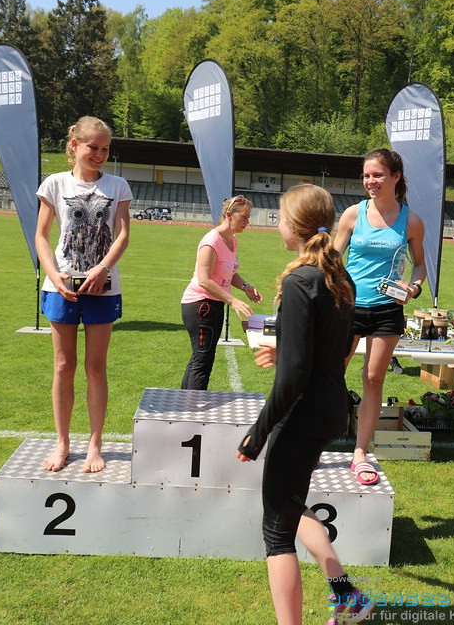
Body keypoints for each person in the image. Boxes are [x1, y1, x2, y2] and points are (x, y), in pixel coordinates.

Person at [237, 184, 374, 625]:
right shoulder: (339, 276)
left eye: (278, 217)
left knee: (276, 532)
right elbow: (330, 347)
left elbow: (294, 378)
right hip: (330, 409)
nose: (275, 224)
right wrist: (286, 351)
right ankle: (346, 593)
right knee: (292, 504)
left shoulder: (301, 279)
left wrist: (257, 435)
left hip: (304, 414)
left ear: (292, 227)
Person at [35, 116, 131, 473]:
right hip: (62, 285)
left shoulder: (118, 186)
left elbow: (122, 236)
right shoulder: (55, 183)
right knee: (63, 366)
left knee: (95, 367)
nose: (100, 154)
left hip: (102, 287)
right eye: (93, 147)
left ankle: (94, 443)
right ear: (74, 145)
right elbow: (41, 236)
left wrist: (103, 268)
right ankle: (62, 442)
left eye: (105, 148)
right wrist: (53, 275)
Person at [333, 148, 426, 486]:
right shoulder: (352, 215)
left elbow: (419, 265)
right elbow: (331, 256)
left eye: (377, 175)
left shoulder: (411, 221)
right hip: (349, 307)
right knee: (331, 375)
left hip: (388, 310)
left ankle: (360, 453)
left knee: (373, 379)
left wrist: (413, 287)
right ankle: (315, 443)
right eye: (366, 175)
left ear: (395, 177)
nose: (370, 181)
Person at [180, 195, 262, 389]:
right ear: (229, 215)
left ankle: (184, 403)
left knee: (201, 357)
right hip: (201, 305)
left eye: (248, 218)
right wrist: (233, 301)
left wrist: (245, 286)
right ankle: (193, 411)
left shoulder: (232, 240)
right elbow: (204, 279)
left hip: (214, 304)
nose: (247, 222)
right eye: (244, 217)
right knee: (202, 361)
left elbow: (230, 272)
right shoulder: (211, 241)